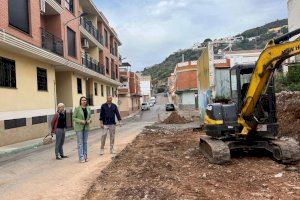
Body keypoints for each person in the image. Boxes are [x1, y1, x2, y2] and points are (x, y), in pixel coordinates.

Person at [73, 97, 92, 163]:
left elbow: (90, 117)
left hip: (86, 127)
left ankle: (85, 156)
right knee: (80, 143)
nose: (84, 101)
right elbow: (73, 118)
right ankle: (81, 157)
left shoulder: (88, 109)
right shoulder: (77, 109)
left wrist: (89, 120)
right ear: (80, 101)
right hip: (79, 128)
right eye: (82, 100)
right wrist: (81, 121)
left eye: (85, 100)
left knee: (85, 142)